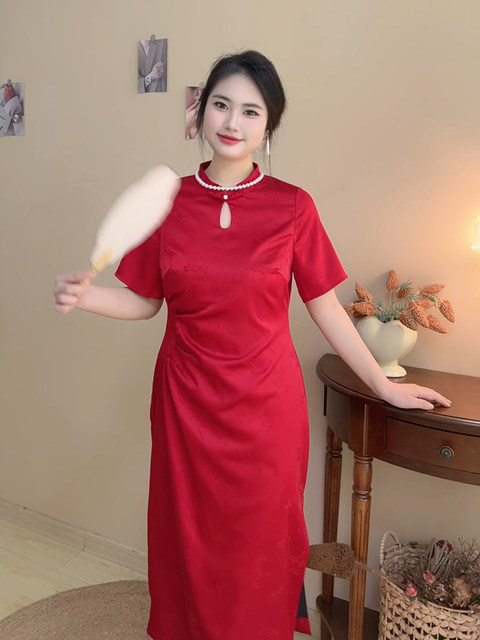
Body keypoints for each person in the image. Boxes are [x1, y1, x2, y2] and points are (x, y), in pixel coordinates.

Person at [54, 50, 450, 640]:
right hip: (185, 404)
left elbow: (326, 309)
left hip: (266, 410)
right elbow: (145, 301)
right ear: (200, 112)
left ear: (269, 126)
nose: (232, 122)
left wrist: (384, 386)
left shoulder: (293, 206)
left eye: (250, 111)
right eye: (220, 105)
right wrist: (86, 297)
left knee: (261, 546)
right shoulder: (169, 203)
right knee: (187, 539)